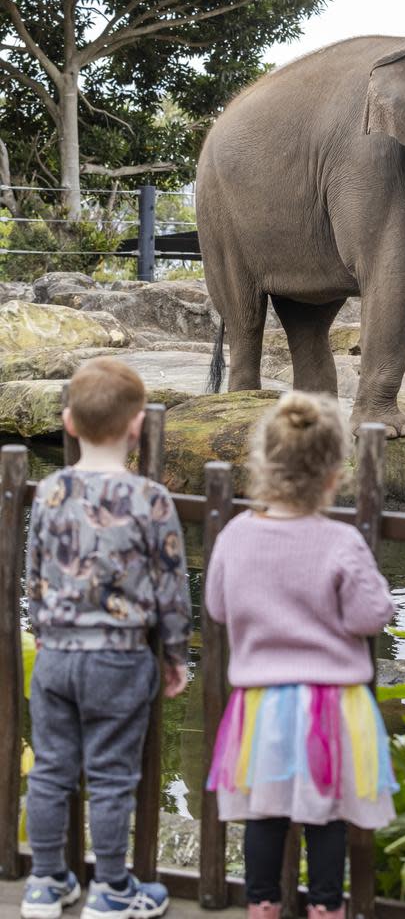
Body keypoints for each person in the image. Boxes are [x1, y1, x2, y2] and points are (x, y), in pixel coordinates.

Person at [205, 391, 397, 919]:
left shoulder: (236, 535)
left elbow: (218, 607)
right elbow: (368, 615)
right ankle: (327, 909)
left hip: (261, 703)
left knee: (264, 814)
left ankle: (262, 905)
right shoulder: (341, 541)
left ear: (263, 466)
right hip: (332, 706)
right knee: (327, 817)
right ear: (334, 473)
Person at [21, 358, 192, 919]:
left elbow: (36, 575)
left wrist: (44, 631)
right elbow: (171, 588)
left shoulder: (48, 493)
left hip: (56, 656)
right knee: (112, 778)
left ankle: (45, 884)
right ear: (138, 424)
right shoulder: (152, 500)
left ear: (68, 422)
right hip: (119, 659)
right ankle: (113, 888)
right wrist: (173, 655)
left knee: (50, 771)